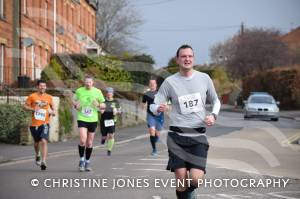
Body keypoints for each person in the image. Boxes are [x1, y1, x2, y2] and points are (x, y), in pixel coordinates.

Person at [150, 44, 221, 199]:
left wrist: (213, 115)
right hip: (177, 137)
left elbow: (216, 101)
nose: (187, 59)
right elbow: (153, 105)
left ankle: (191, 192)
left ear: (193, 59)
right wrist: (158, 108)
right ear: (178, 59)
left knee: (195, 179)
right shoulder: (170, 82)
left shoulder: (204, 78)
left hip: (198, 137)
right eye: (183, 56)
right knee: (181, 179)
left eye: (189, 56)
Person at [73, 75, 105, 172]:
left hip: (93, 119)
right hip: (82, 118)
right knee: (83, 140)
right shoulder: (79, 91)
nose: (88, 84)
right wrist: (76, 105)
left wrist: (99, 105)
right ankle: (81, 160)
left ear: (92, 83)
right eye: (86, 82)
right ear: (84, 82)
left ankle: (87, 161)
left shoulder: (97, 92)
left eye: (89, 82)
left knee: (89, 142)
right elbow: (74, 100)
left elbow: (103, 104)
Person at [24, 79, 55, 171]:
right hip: (34, 124)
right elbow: (25, 106)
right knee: (36, 143)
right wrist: (33, 110)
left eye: (44, 86)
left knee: (44, 141)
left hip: (45, 123)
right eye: (41, 86)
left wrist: (52, 112)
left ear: (46, 87)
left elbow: (53, 109)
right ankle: (37, 154)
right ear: (37, 87)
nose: (43, 87)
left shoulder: (49, 97)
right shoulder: (32, 96)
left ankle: (44, 161)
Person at [142, 79, 164, 156]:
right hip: (150, 115)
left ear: (156, 85)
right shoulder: (146, 94)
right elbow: (143, 103)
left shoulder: (161, 93)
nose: (152, 84)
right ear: (149, 85)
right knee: (152, 130)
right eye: (150, 83)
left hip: (159, 115)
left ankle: (155, 140)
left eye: (153, 83)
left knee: (157, 134)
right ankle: (154, 150)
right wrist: (143, 109)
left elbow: (165, 103)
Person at [99, 87, 121, 156]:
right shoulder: (103, 101)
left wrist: (116, 111)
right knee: (104, 136)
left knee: (111, 135)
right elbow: (99, 109)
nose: (109, 94)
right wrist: (101, 110)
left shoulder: (116, 102)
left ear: (112, 94)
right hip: (104, 120)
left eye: (110, 93)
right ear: (106, 94)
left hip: (112, 120)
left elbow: (120, 111)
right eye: (108, 93)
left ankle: (109, 150)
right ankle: (103, 138)